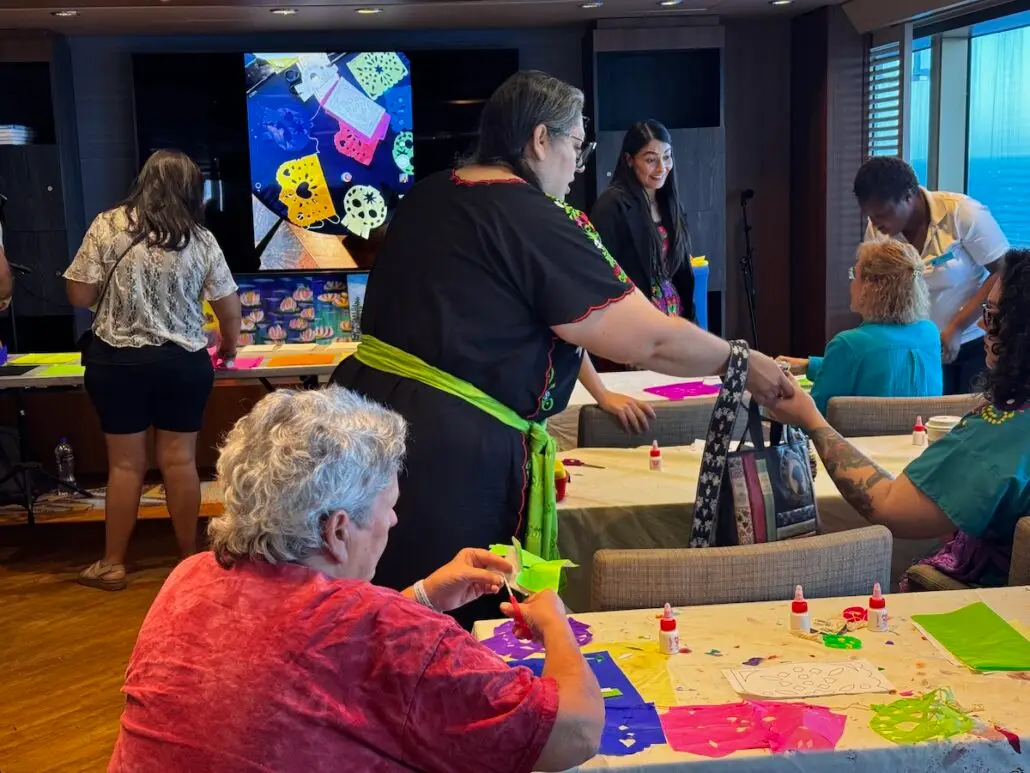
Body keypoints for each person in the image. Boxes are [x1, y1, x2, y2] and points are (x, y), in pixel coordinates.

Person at [331, 70, 793, 628]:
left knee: (389, 595)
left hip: (367, 422)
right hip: (451, 451)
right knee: (455, 612)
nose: (579, 164)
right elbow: (649, 337)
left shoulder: (434, 191)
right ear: (539, 139)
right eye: (576, 144)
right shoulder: (528, 215)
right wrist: (741, 362)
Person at [109, 387, 604, 773]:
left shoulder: (190, 578)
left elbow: (317, 656)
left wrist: (422, 598)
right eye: (388, 507)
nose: (393, 522)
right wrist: (554, 623)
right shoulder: (394, 635)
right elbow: (575, 732)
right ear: (338, 529)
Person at [767, 248, 1030, 588]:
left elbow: (890, 508)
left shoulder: (1000, 431)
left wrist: (811, 419)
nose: (980, 325)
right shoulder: (925, 333)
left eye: (992, 316)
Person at [64, 149, 242, 591]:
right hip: (181, 364)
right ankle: (188, 562)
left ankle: (112, 564)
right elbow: (229, 308)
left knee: (125, 466)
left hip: (118, 363)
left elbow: (78, 296)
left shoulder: (106, 226)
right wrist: (230, 346)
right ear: (191, 189)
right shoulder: (200, 239)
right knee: (179, 461)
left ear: (143, 180)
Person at [853, 156, 1009, 395]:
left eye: (882, 214)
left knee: (965, 419)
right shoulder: (878, 230)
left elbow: (1004, 271)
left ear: (909, 195)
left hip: (971, 343)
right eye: (870, 216)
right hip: (916, 347)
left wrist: (957, 326)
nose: (875, 223)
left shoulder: (962, 213)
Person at [777, 239, 942, 414]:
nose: (851, 284)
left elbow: (814, 419)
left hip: (856, 442)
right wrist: (810, 365)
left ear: (870, 286)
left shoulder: (848, 344)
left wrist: (788, 387)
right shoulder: (929, 333)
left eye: (854, 275)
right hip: (919, 439)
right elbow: (879, 367)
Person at [591, 119, 695, 322]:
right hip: (636, 320)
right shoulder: (611, 205)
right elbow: (602, 275)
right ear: (629, 160)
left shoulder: (671, 203)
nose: (661, 168)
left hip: (676, 315)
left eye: (667, 157)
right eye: (651, 160)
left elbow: (681, 272)